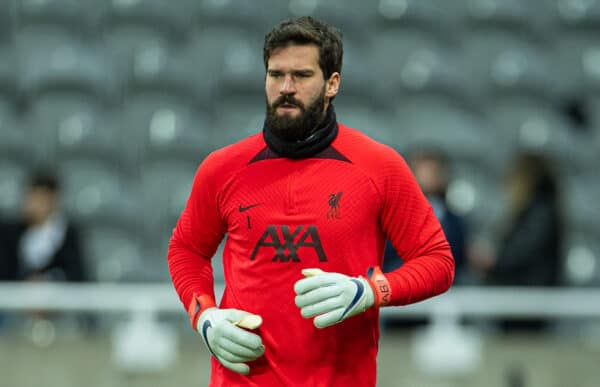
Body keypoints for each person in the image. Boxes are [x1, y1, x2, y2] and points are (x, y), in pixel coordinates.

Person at [167, 16, 454, 386]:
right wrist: (204, 317)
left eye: (301, 76)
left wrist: (368, 291)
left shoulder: (378, 166)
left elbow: (438, 262)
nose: (285, 87)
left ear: (332, 83)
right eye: (275, 75)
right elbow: (186, 249)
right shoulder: (222, 169)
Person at [471, 151, 563, 332]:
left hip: (529, 301)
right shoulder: (535, 211)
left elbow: (523, 252)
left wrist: (493, 262)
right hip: (521, 298)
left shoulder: (540, 214)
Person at [383, 147, 468, 283]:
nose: (428, 177)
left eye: (434, 171)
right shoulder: (392, 215)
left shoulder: (454, 219)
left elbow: (459, 252)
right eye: (423, 171)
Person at [0, 171, 86, 283]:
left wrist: (49, 279)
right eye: (31, 198)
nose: (34, 204)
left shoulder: (67, 234)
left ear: (53, 201)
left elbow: (77, 273)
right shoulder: (9, 233)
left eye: (41, 199)